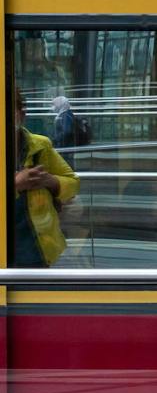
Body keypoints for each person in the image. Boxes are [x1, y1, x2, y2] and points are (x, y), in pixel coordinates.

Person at [10, 85, 80, 268]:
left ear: (21, 113)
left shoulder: (40, 145)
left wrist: (51, 181)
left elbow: (72, 182)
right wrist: (16, 184)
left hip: (38, 251)